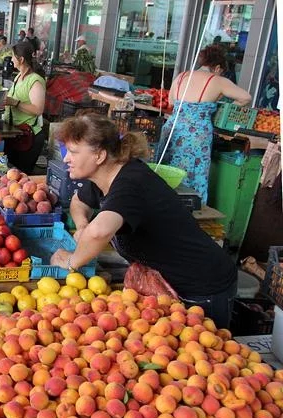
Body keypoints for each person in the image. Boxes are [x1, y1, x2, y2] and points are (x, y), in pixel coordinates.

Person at [50, 114, 238, 328]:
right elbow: (78, 202)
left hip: (201, 286)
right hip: (165, 286)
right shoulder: (103, 177)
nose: (66, 159)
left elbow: (99, 232)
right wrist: (83, 225)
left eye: (73, 152)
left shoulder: (130, 184)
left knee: (201, 351)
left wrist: (71, 262)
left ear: (100, 156)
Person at [158, 44, 251, 203]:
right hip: (197, 134)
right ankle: (190, 208)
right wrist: (222, 108)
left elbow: (172, 101)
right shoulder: (219, 81)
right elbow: (246, 98)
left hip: (172, 129)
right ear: (217, 67)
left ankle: (161, 202)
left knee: (166, 169)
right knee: (194, 173)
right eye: (222, 71)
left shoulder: (181, 76)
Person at [2, 42, 46, 173]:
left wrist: (15, 103)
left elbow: (38, 109)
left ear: (21, 59)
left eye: (13, 57)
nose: (11, 59)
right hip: (16, 134)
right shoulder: (18, 77)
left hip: (29, 136)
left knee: (22, 176)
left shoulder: (35, 80)